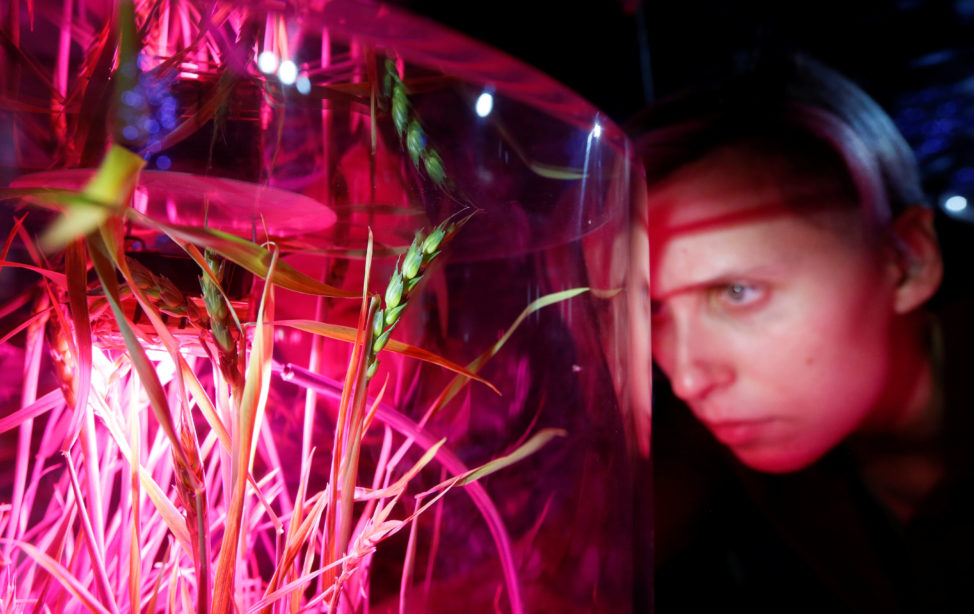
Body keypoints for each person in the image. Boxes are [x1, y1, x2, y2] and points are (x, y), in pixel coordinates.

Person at [627, 54, 974, 612]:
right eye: (655, 309)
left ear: (908, 261)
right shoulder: (716, 453)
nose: (688, 377)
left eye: (737, 292)